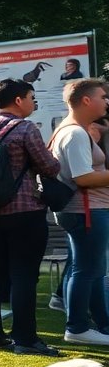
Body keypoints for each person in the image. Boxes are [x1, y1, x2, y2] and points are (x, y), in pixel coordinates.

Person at [0, 78, 62, 355]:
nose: (34, 103)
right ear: (19, 100)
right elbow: (49, 167)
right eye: (32, 97)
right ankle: (25, 338)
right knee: (23, 273)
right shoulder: (26, 128)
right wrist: (53, 158)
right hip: (23, 210)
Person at [48, 78, 109, 345]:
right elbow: (82, 177)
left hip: (89, 210)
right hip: (86, 210)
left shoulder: (74, 130)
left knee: (92, 269)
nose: (106, 101)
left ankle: (100, 324)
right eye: (103, 96)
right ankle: (77, 327)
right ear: (86, 100)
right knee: (86, 270)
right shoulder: (74, 133)